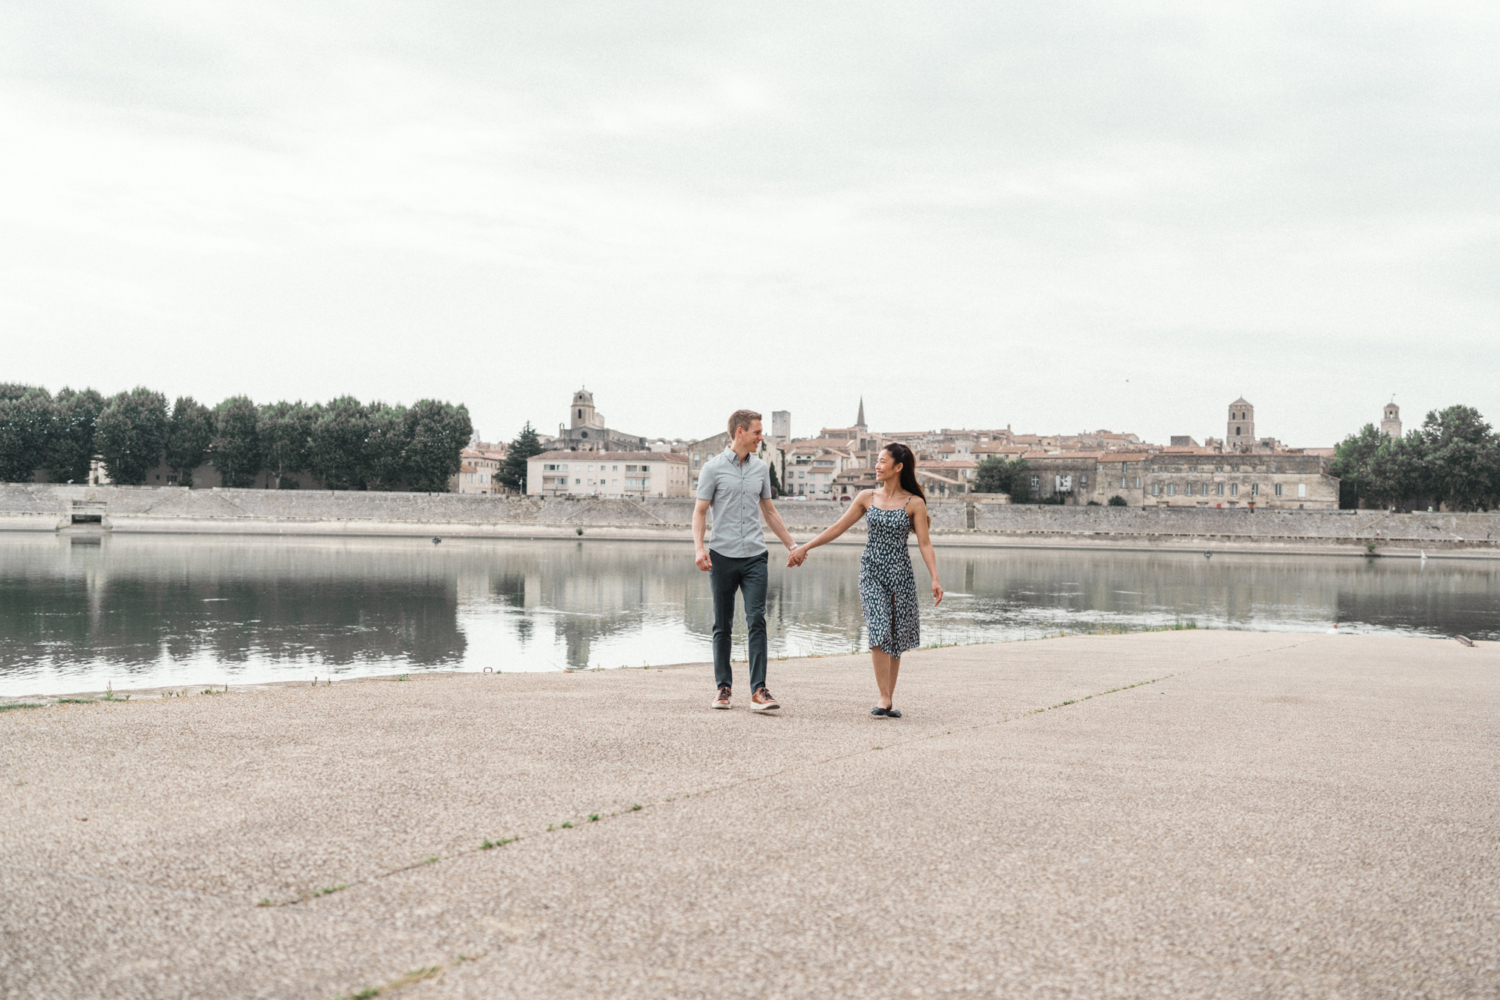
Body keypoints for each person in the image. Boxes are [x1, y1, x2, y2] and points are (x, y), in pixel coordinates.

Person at [788, 443, 943, 717]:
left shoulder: (914, 503)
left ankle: (888, 699)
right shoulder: (866, 497)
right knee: (878, 629)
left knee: (895, 637)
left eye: (883, 461)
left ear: (898, 467)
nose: (877, 466)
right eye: (877, 461)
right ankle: (883, 698)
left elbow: (925, 543)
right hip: (871, 572)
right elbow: (837, 528)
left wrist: (935, 578)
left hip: (900, 575)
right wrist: (804, 547)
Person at [693, 409, 801, 712]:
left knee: (757, 620)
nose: (761, 437)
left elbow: (769, 511)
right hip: (722, 556)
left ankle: (759, 691)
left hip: (755, 556)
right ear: (740, 432)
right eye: (757, 432)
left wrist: (792, 545)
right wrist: (699, 548)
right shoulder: (712, 469)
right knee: (722, 625)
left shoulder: (761, 469)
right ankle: (723, 689)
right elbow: (700, 511)